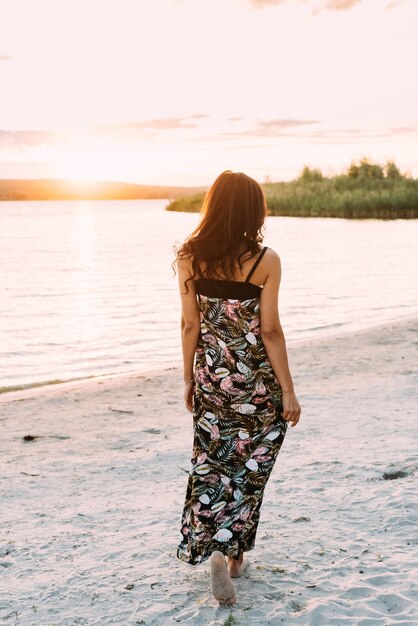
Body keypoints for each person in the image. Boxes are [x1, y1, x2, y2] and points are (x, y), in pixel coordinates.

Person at [172, 170, 301, 607]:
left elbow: (190, 323)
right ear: (253, 210)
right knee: (251, 467)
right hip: (257, 384)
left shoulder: (189, 256)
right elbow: (270, 331)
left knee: (211, 462)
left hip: (212, 379)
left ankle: (213, 544)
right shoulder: (265, 260)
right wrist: (288, 390)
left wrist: (189, 378)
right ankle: (233, 554)